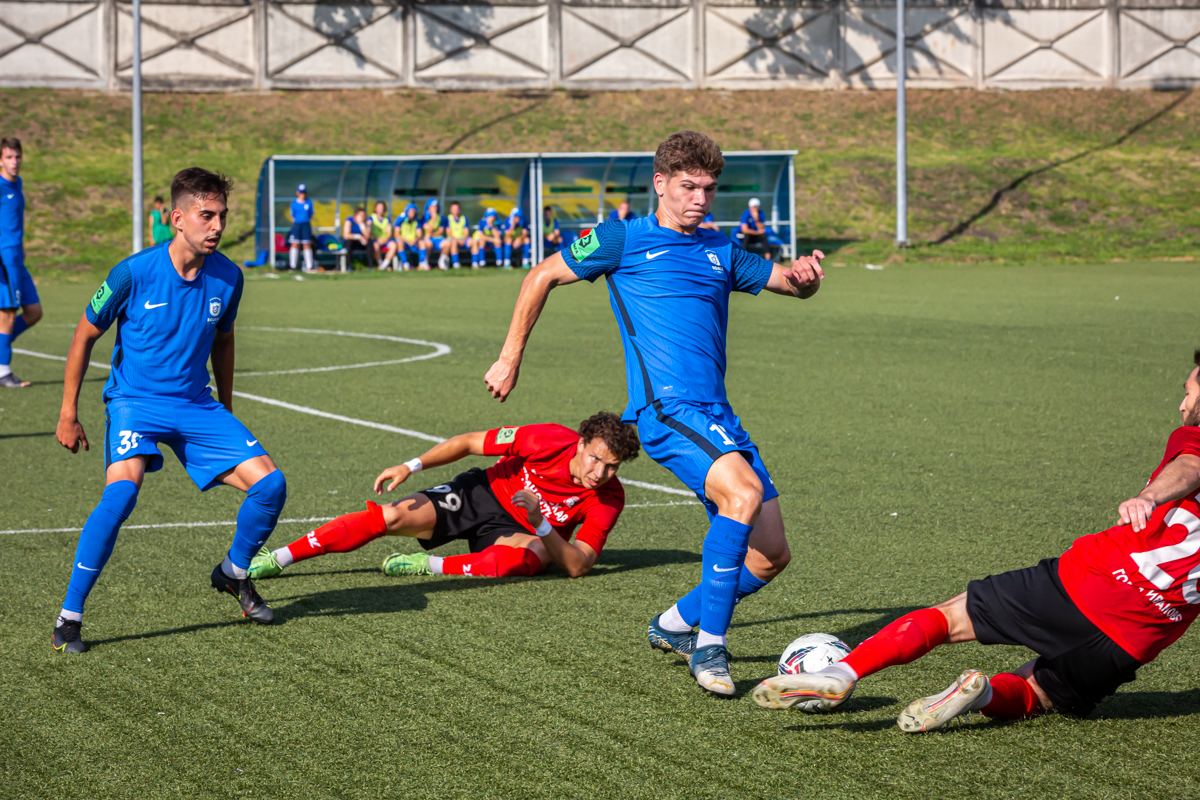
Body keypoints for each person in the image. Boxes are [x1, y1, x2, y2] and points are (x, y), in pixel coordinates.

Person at [484, 130, 825, 695]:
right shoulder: (621, 239)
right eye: (688, 186)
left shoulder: (721, 249)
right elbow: (542, 274)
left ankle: (672, 624)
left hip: (716, 414)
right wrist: (509, 356)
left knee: (769, 555)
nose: (700, 198)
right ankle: (710, 648)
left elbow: (787, 283)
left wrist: (806, 279)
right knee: (740, 497)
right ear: (661, 184)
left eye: (709, 189)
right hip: (664, 410)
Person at [754, 351, 1200, 730]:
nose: (1182, 404)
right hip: (1138, 636)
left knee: (949, 618)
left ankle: (842, 671)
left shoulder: (1193, 437)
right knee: (1039, 694)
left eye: (1189, 391)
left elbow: (1191, 465)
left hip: (1090, 581)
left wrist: (1150, 494)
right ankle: (983, 694)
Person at [51, 167, 288, 654]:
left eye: (222, 215)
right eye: (207, 215)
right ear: (178, 218)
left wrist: (226, 402)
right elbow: (84, 336)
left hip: (196, 403)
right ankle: (69, 618)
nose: (217, 226)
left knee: (271, 485)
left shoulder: (229, 276)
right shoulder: (132, 272)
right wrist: (67, 412)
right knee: (121, 497)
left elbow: (224, 340)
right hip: (134, 403)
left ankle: (233, 574)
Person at [247, 412, 638, 582]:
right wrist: (410, 466)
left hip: (523, 528)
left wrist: (539, 521)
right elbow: (469, 442)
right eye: (596, 460)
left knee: (534, 557)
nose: (600, 474)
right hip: (481, 493)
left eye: (613, 467)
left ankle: (429, 564)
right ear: (581, 443)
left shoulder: (609, 497)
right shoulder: (546, 438)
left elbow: (577, 566)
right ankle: (281, 557)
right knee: (391, 517)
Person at [0, 136, 43, 388]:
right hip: (3, 259)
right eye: (9, 157)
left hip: (17, 257)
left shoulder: (19, 184)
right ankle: (3, 371)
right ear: (0, 160)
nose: (15, 162)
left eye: (17, 156)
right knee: (7, 313)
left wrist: (22, 248)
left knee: (34, 312)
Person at [288, 184, 314, 272]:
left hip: (306, 225)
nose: (303, 194)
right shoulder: (294, 203)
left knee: (307, 244)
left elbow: (310, 216)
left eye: (304, 192)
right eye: (301, 192)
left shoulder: (309, 202)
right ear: (297, 193)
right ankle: (293, 266)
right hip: (297, 225)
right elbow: (292, 216)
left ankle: (309, 266)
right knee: (295, 244)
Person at [393, 203, 426, 270]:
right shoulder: (400, 220)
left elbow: (419, 234)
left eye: (413, 211)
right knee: (400, 243)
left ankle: (421, 264)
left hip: (414, 243)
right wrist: (407, 241)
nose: (412, 213)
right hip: (405, 242)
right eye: (410, 211)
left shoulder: (417, 221)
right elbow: (396, 234)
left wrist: (414, 240)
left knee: (422, 242)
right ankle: (406, 265)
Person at [441, 201, 470, 269]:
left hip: (463, 239)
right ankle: (456, 264)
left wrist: (463, 239)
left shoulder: (464, 218)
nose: (455, 211)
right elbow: (448, 232)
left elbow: (466, 232)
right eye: (453, 209)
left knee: (473, 242)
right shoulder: (448, 218)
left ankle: (476, 264)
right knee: (453, 242)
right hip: (452, 239)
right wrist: (457, 240)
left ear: (460, 209)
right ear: (450, 210)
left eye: (457, 209)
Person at [422, 198, 448, 270]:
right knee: (428, 244)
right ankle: (425, 262)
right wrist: (433, 219)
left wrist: (432, 234)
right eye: (433, 207)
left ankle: (441, 262)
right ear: (429, 208)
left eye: (436, 207)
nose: (434, 209)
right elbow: (429, 229)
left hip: (437, 238)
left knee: (447, 244)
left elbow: (440, 231)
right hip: (428, 239)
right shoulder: (425, 217)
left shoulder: (441, 217)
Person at [368, 201, 392, 269]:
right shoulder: (371, 218)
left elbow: (389, 232)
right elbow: (369, 231)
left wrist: (385, 239)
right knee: (375, 246)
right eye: (379, 207)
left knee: (393, 245)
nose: (381, 209)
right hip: (375, 240)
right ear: (375, 208)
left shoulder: (387, 219)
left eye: (382, 207)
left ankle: (385, 264)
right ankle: (380, 263)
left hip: (385, 240)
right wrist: (376, 239)